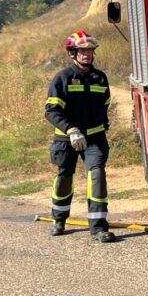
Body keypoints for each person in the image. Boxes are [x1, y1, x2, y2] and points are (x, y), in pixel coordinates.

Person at [45, 30, 116, 243]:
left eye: (90, 51)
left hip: (94, 138)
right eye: (82, 51)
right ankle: (59, 220)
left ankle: (98, 227)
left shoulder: (99, 78)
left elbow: (105, 103)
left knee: (97, 174)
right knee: (64, 177)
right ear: (72, 53)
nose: (87, 54)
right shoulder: (62, 78)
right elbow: (51, 111)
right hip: (66, 139)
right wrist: (71, 130)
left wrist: (99, 124)